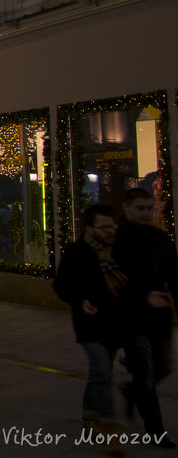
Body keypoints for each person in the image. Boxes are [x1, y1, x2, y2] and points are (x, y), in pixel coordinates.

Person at [53, 203, 128, 435]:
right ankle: (108, 423)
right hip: (89, 325)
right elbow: (61, 285)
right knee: (103, 372)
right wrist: (80, 300)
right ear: (90, 227)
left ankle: (89, 414)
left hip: (113, 323)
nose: (109, 230)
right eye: (103, 226)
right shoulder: (77, 251)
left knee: (98, 373)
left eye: (111, 225)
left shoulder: (117, 251)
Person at [113, 187, 178, 447]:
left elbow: (174, 275)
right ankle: (155, 430)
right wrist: (142, 297)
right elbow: (114, 281)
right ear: (127, 207)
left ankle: (130, 391)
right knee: (144, 372)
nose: (146, 213)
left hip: (160, 314)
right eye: (140, 208)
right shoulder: (116, 239)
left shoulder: (159, 237)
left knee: (163, 367)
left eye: (150, 208)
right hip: (132, 317)